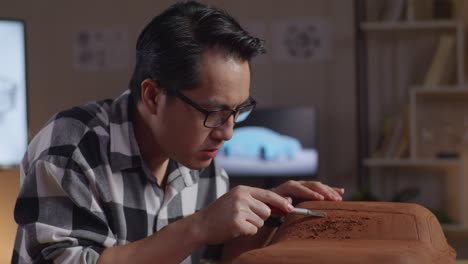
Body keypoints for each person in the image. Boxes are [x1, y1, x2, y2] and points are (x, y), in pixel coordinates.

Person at [12, 1, 344, 263]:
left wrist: (275, 216)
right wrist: (198, 227)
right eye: (213, 112)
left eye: (237, 111)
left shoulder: (202, 163)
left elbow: (218, 256)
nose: (227, 132)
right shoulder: (71, 148)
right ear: (153, 96)